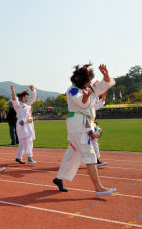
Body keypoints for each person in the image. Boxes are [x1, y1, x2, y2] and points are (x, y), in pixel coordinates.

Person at [52, 64, 116, 196]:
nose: (90, 82)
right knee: (89, 154)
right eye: (88, 80)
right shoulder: (73, 91)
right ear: (80, 81)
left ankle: (59, 178)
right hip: (78, 124)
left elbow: (104, 85)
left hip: (84, 124)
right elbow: (81, 102)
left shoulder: (88, 88)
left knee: (73, 153)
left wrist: (106, 76)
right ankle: (98, 188)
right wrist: (86, 96)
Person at [10, 85, 38, 165]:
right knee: (27, 140)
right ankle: (29, 158)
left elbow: (33, 98)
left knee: (23, 142)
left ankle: (18, 157)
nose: (27, 98)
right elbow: (14, 100)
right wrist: (13, 92)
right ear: (21, 98)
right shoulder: (18, 105)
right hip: (22, 124)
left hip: (28, 123)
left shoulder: (28, 104)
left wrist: (33, 90)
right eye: (25, 97)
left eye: (27, 97)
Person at [92, 93, 108, 167]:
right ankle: (96, 161)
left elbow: (99, 104)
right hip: (86, 126)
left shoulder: (92, 105)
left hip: (91, 125)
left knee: (94, 143)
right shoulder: (87, 103)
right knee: (81, 145)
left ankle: (96, 161)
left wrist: (103, 95)